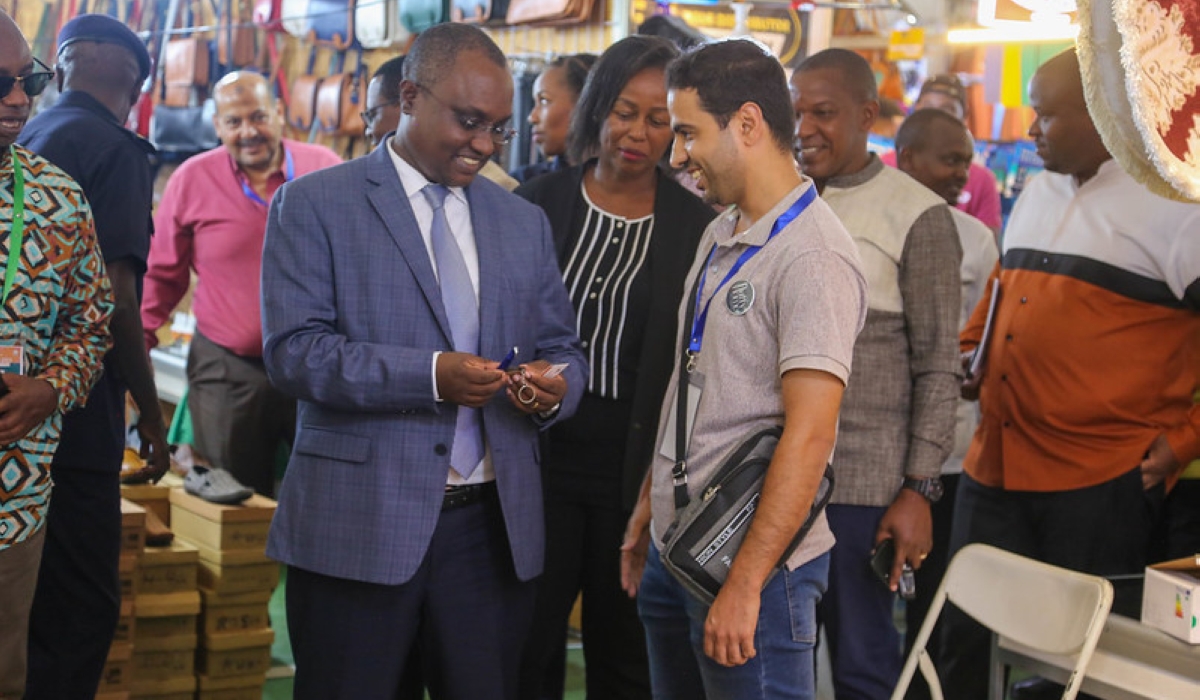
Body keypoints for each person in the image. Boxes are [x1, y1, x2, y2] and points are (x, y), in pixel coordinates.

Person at [260, 23, 587, 699]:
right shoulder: (316, 205)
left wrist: (553, 389)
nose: (484, 145)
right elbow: (295, 354)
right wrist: (432, 375)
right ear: (409, 95)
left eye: (498, 127)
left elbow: (563, 348)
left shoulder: (518, 221)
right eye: (468, 122)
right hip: (360, 524)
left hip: (490, 534)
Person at [942, 48, 1200, 700]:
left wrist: (1185, 442)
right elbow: (1004, 286)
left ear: (1105, 115)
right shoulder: (1040, 185)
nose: (1031, 128)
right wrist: (973, 350)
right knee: (964, 639)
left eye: (1047, 114)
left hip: (1100, 478)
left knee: (1086, 663)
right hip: (993, 464)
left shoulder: (1178, 205)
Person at [622, 39, 867, 700]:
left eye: (688, 133)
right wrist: (653, 499)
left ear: (749, 125)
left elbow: (810, 436)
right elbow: (693, 378)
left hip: (756, 566)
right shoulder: (722, 228)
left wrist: (747, 582)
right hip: (682, 545)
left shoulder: (814, 257)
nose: (676, 155)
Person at [514, 35, 713, 700]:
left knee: (622, 648)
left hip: (633, 463)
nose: (638, 132)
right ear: (598, 108)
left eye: (660, 120)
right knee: (527, 637)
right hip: (534, 450)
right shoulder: (535, 203)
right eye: (626, 111)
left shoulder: (695, 227)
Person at [790, 48, 961, 700]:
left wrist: (919, 489)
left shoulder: (917, 215)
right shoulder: (781, 200)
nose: (805, 127)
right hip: (776, 477)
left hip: (864, 487)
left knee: (864, 665)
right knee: (780, 659)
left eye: (824, 113)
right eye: (796, 110)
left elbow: (940, 366)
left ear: (867, 115)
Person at [18, 14, 170, 698]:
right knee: (78, 609)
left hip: (20, 416)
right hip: (72, 419)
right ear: (134, 80)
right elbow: (114, 300)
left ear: (65, 62)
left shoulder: (30, 138)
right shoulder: (114, 150)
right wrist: (152, 412)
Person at [139, 71, 341, 497]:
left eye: (258, 116)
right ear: (217, 126)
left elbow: (360, 262)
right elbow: (162, 273)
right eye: (234, 122)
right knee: (232, 504)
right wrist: (137, 346)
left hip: (316, 366)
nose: (248, 132)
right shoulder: (192, 180)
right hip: (228, 368)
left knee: (328, 494)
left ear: (280, 114)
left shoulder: (324, 169)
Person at [0, 12, 113, 697]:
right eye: (0, 83)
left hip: (12, 503)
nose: (19, 99)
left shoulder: (58, 200)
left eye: (30, 80)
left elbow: (90, 326)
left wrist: (49, 390)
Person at [892, 107, 998, 700]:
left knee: (932, 602)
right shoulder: (870, 222)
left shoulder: (977, 239)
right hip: (876, 450)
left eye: (965, 160)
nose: (963, 172)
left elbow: (985, 332)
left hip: (950, 456)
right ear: (908, 159)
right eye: (949, 159)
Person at [363, 54, 519, 190]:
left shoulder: (505, 197)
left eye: (373, 114)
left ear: (409, 100)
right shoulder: (346, 191)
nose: (486, 146)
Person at [880, 74, 1003, 236]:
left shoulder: (982, 180)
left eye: (947, 109)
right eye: (928, 107)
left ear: (964, 115)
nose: (936, 117)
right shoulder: (884, 168)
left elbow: (988, 248)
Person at [511, 53, 596, 184]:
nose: (532, 118)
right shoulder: (523, 185)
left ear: (584, 104)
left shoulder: (628, 191)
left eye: (544, 101)